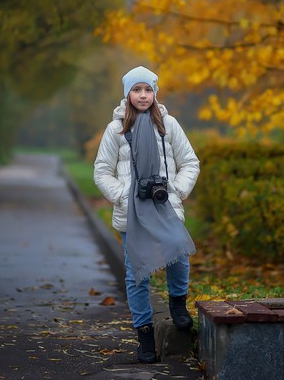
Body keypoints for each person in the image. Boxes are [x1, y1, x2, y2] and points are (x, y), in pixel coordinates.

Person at [93, 66, 200, 364]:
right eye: (136, 90)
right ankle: (144, 336)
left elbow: (190, 162)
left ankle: (178, 305)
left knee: (179, 256)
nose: (143, 95)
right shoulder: (115, 129)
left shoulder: (169, 124)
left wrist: (177, 189)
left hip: (166, 206)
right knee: (136, 274)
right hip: (133, 213)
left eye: (148, 90)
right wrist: (122, 196)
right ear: (127, 94)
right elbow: (102, 171)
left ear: (155, 93)